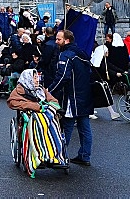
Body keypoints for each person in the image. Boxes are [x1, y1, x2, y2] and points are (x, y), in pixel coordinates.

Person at [7, 68, 66, 176]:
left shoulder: (41, 89)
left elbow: (54, 100)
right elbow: (12, 103)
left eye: (37, 78)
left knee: (54, 124)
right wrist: (35, 106)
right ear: (28, 78)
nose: (37, 80)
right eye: (34, 78)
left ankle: (55, 156)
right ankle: (40, 156)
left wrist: (49, 106)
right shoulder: (19, 90)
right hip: (30, 115)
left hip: (44, 114)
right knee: (37, 125)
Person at [48, 29, 93, 167]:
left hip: (72, 97)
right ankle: (85, 156)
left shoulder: (66, 55)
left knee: (66, 127)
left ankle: (60, 157)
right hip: (85, 95)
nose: (56, 41)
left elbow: (62, 77)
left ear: (66, 40)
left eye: (59, 39)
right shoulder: (82, 53)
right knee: (85, 128)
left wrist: (49, 92)